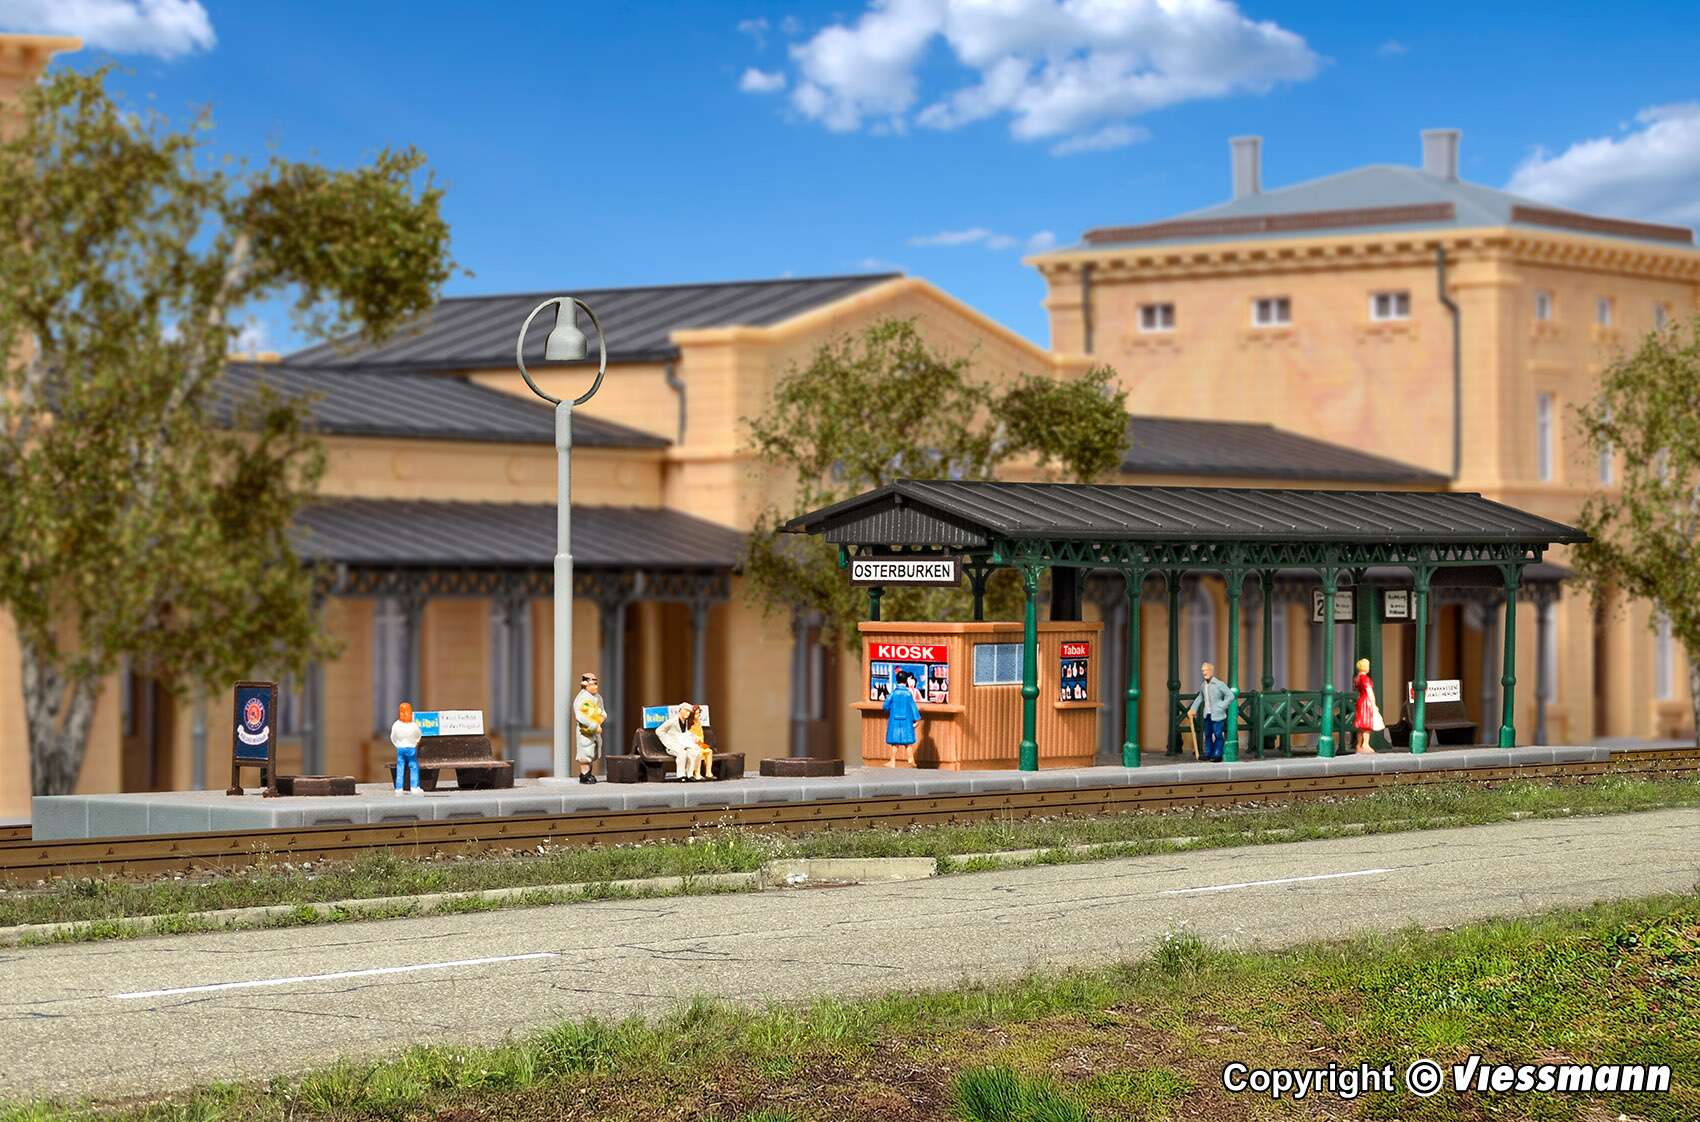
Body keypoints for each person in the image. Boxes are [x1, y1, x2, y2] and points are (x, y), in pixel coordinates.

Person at [1185, 662, 1237, 762]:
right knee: (1208, 734)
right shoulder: (1203, 685)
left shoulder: (1219, 684)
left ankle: (1217, 754)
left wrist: (1221, 706)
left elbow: (1230, 695)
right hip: (1207, 714)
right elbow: (1200, 698)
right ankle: (1208, 753)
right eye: (1203, 670)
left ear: (1211, 671)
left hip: (1217, 715)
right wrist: (1193, 709)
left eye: (1206, 670)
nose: (1204, 672)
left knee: (1218, 734)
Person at [655, 702, 704, 780]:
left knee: (694, 751)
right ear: (680, 710)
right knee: (682, 753)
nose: (687, 713)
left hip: (682, 743)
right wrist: (668, 741)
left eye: (689, 712)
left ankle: (689, 774)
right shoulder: (672, 721)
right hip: (673, 746)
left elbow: (683, 733)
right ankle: (681, 775)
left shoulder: (686, 722)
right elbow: (659, 731)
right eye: (686, 710)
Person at [882, 669, 920, 767]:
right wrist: (916, 718)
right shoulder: (908, 694)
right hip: (906, 720)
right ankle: (911, 760)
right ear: (906, 681)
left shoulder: (893, 694)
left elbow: (885, 706)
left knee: (894, 742)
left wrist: (891, 708)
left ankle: (893, 761)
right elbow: (913, 707)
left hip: (894, 719)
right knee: (907, 742)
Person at [573, 672, 605, 784]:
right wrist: (593, 725)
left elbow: (602, 711)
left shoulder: (598, 697)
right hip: (585, 730)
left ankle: (589, 773)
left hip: (596, 730)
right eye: (592, 684)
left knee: (594, 751)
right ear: (585, 684)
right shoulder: (582, 698)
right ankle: (585, 774)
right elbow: (580, 716)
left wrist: (601, 718)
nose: (595, 686)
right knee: (586, 751)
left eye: (596, 684)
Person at [391, 702, 423, 796]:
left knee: (400, 768)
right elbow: (418, 735)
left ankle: (399, 788)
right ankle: (414, 788)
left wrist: (397, 744)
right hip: (411, 748)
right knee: (413, 767)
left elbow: (393, 737)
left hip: (400, 748)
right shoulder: (413, 725)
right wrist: (415, 742)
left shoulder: (396, 725)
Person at [1353, 658, 1383, 755]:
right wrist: (1374, 704)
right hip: (1366, 702)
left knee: (1361, 726)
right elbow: (1370, 692)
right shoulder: (1365, 679)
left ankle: (1358, 745)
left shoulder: (1357, 678)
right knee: (1367, 725)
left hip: (1360, 701)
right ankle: (1365, 745)